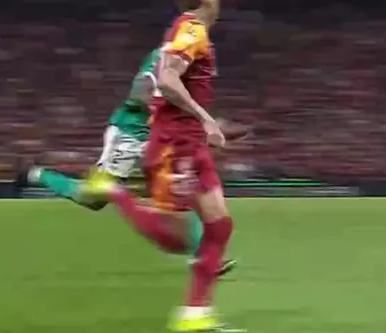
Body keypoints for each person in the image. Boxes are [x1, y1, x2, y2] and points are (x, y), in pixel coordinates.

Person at [84, 0, 239, 332]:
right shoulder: (191, 30)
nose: (220, 0)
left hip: (192, 143)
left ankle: (194, 312)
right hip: (174, 144)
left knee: (219, 225)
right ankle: (114, 191)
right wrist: (207, 119)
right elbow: (168, 79)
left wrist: (206, 126)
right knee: (175, 236)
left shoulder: (194, 33)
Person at [18, 48, 236, 277]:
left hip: (159, 138)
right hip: (130, 135)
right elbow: (140, 91)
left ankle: (204, 257)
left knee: (183, 187)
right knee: (91, 199)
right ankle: (37, 174)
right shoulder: (168, 57)